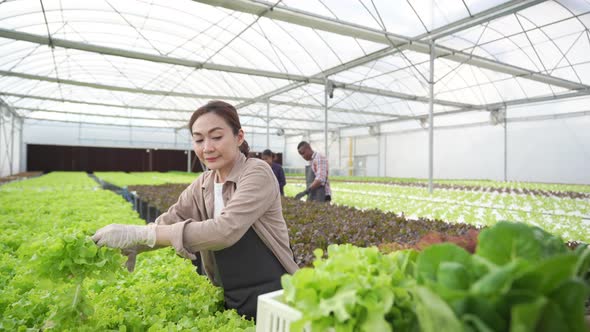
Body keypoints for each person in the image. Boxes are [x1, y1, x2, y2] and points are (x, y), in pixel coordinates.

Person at [91, 100, 299, 320]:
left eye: (216, 137)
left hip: (275, 293)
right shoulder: (203, 183)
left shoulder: (257, 172)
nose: (207, 147)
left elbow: (224, 231)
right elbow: (170, 220)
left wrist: (144, 234)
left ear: (239, 137)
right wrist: (133, 243)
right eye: (198, 139)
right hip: (231, 293)